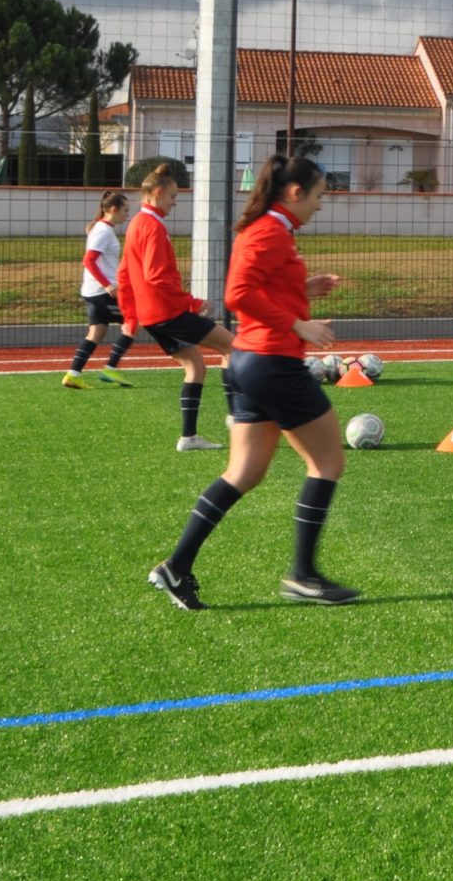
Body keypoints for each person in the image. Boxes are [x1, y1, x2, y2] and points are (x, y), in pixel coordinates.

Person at [147, 155, 358, 609]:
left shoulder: (268, 228)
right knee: (327, 464)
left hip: (247, 362)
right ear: (294, 193)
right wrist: (298, 325)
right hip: (272, 364)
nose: (321, 205)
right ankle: (304, 575)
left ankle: (175, 567)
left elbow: (261, 287)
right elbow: (238, 294)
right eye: (319, 195)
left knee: (244, 472)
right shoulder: (270, 230)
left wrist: (304, 291)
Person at [117, 165, 233, 451]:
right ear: (157, 194)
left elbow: (124, 273)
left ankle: (188, 437)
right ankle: (238, 415)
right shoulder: (152, 226)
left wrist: (131, 315)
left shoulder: (134, 225)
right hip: (167, 312)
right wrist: (191, 303)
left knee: (195, 366)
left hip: (151, 316)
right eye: (172, 196)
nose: (175, 202)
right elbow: (156, 277)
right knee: (235, 347)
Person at [63, 192, 137, 388]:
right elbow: (88, 260)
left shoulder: (103, 228)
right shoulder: (103, 231)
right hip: (102, 293)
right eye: (125, 211)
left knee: (96, 333)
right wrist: (107, 284)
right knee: (133, 321)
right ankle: (111, 370)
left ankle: (73, 374)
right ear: (113, 210)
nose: (127, 215)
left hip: (92, 291)